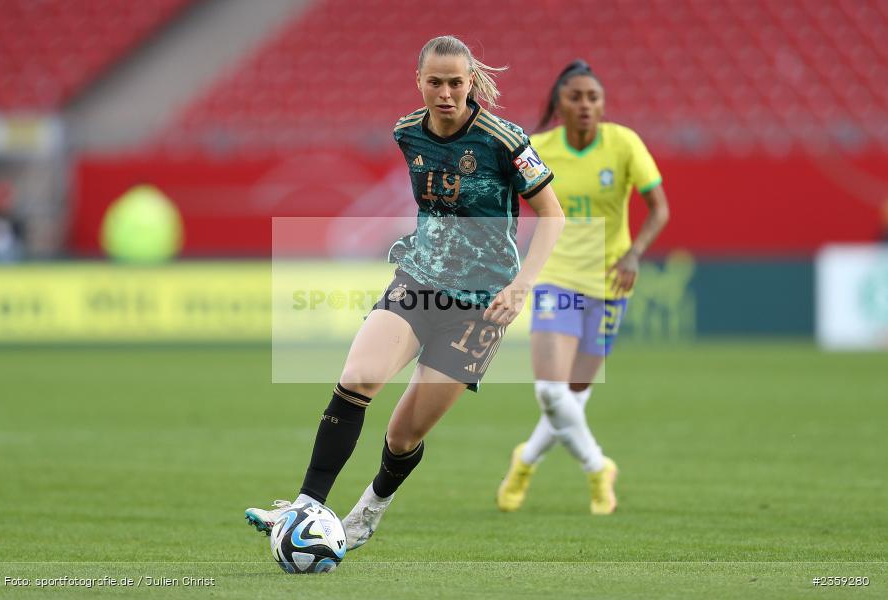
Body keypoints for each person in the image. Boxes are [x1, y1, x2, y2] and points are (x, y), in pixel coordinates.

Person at [246, 35, 564, 550]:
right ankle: (304, 506)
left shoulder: (504, 140)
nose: (445, 92)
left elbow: (553, 213)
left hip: (480, 307)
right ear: (418, 82)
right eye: (434, 82)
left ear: (471, 83)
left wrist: (523, 283)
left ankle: (369, 510)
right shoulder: (406, 132)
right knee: (358, 377)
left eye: (455, 82)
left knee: (402, 436)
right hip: (418, 280)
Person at [496, 60, 670, 515]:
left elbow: (659, 209)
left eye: (593, 97)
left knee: (572, 395)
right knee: (551, 392)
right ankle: (597, 467)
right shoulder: (538, 149)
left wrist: (635, 252)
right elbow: (507, 204)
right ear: (559, 104)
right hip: (556, 278)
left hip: (611, 281)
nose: (586, 105)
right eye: (576, 97)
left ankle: (526, 458)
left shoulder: (624, 143)